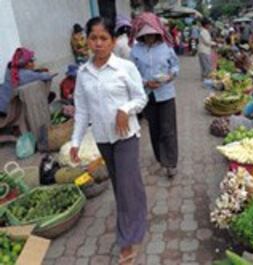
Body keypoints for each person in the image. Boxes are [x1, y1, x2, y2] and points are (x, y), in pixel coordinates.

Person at [70, 17, 148, 265]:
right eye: (93, 38)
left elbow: (141, 98)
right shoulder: (83, 73)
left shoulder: (125, 68)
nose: (98, 43)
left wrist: (125, 109)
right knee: (123, 185)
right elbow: (81, 110)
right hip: (103, 138)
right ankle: (137, 215)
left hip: (126, 137)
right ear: (87, 41)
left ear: (113, 41)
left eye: (104, 38)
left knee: (126, 185)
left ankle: (127, 240)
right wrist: (75, 142)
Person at [130, 12, 179, 178]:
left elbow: (175, 67)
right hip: (147, 94)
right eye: (146, 35)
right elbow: (132, 72)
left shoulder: (166, 47)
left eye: (152, 34)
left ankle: (170, 163)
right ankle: (160, 157)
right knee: (154, 129)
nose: (149, 38)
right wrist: (145, 82)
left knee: (168, 129)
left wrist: (171, 76)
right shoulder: (135, 50)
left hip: (166, 93)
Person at [0, 48, 55, 116]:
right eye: (31, 61)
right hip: (8, 111)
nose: (33, 64)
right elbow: (47, 75)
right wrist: (44, 73)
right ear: (24, 63)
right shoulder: (24, 74)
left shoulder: (10, 69)